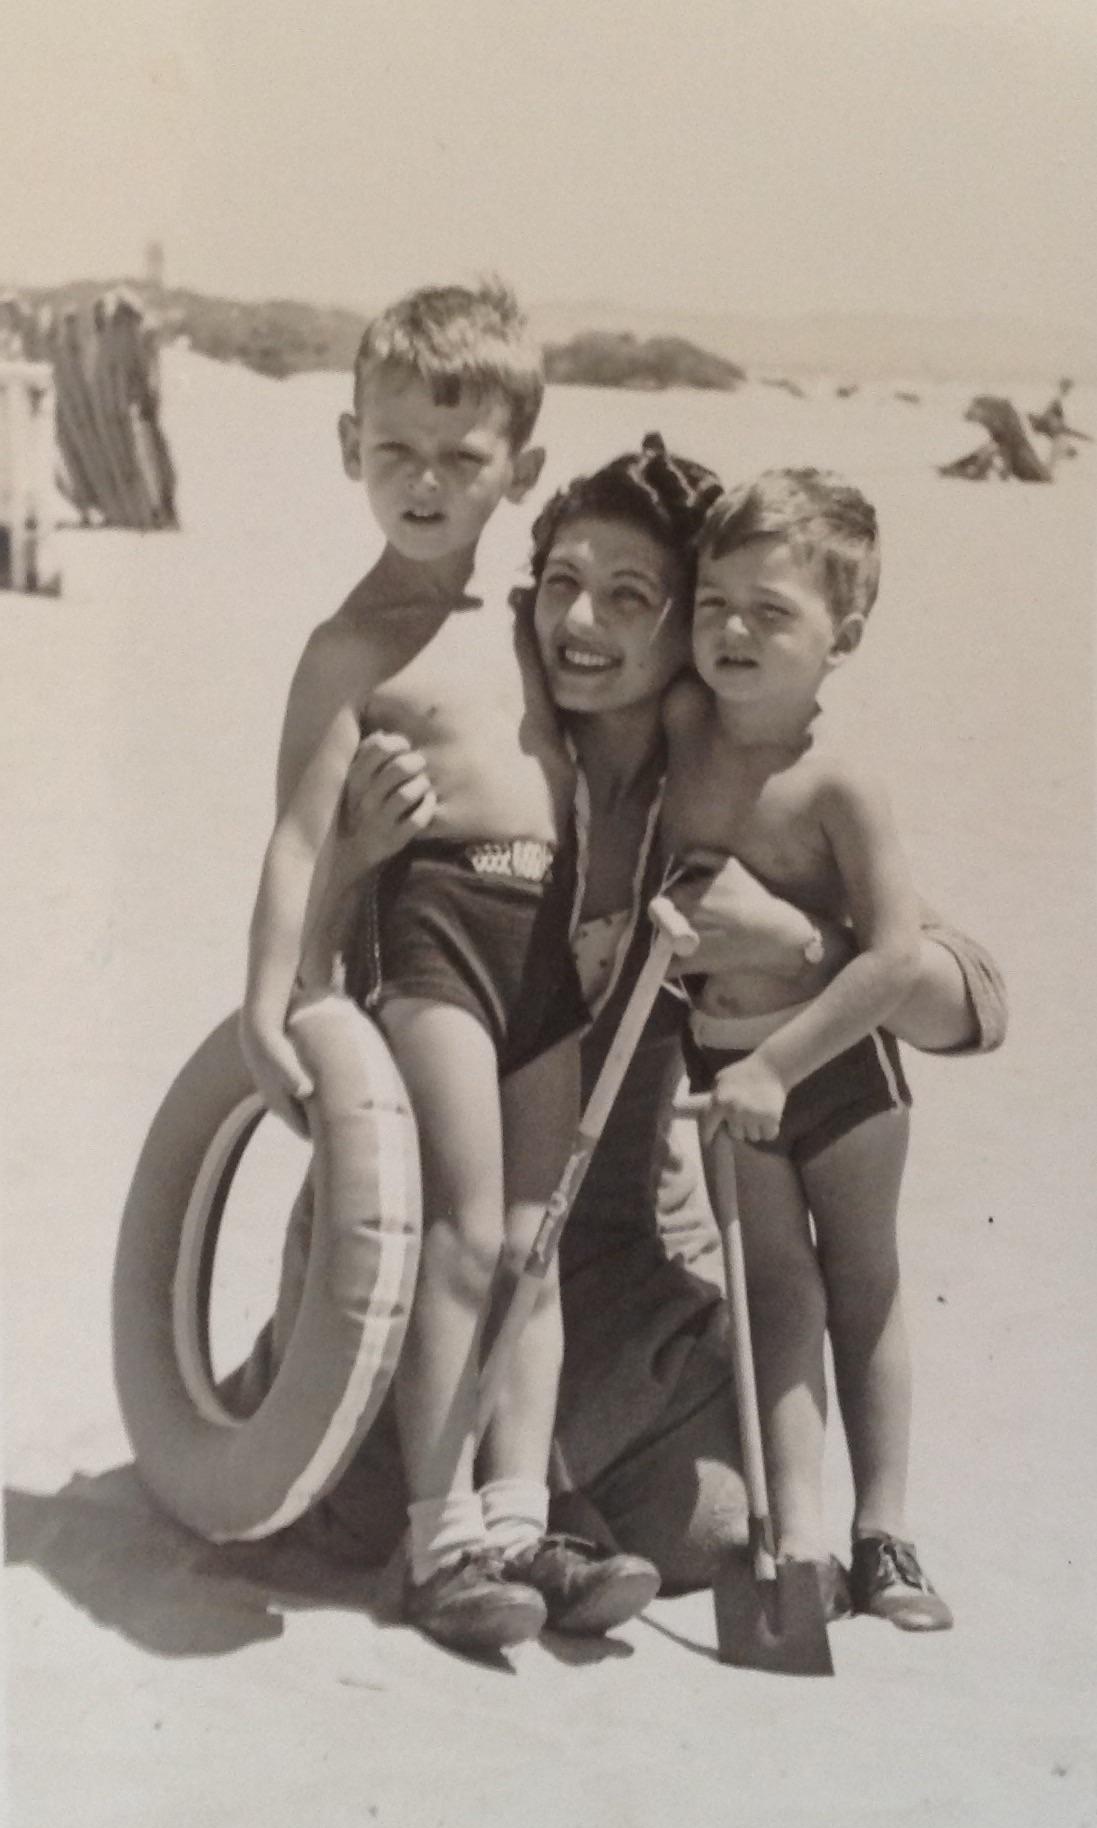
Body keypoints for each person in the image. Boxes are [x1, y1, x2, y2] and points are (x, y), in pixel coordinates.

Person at [252, 438, 1007, 1617]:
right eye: (561, 584)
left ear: (686, 644)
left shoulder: (718, 788)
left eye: (631, 597)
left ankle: (556, 1517)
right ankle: (522, 1520)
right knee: (382, 1478)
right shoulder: (485, 752)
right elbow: (326, 990)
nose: (581, 626)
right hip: (433, 1255)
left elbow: (973, 1000)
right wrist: (352, 858)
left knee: (710, 1516)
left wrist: (796, 946)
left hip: (616, 1277)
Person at [240, 280, 659, 1655]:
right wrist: (277, 1000)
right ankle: (437, 1541)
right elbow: (302, 836)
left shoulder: (535, 619)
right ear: (346, 444)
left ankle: (520, 1514)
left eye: (460, 458)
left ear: (518, 472)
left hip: (544, 947)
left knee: (531, 1241)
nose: (423, 482)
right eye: (394, 451)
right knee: (464, 1234)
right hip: (434, 937)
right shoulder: (349, 648)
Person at [663, 466, 955, 1629]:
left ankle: (881, 1533)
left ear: (844, 635)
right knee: (774, 1290)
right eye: (712, 602)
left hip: (829, 1067)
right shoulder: (682, 726)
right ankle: (798, 1542)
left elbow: (892, 957)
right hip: (720, 1066)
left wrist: (779, 1066)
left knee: (861, 1284)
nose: (731, 631)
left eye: (770, 611)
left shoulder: (838, 780)